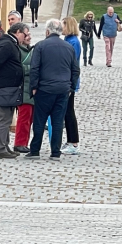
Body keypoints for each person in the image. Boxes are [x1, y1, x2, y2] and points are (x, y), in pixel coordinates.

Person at [27, 19, 80, 160]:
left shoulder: (40, 46)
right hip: (63, 90)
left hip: (44, 89)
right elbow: (75, 70)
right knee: (57, 122)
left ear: (47, 31)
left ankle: (35, 151)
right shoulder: (69, 47)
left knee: (39, 121)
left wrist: (33, 87)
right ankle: (55, 152)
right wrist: (71, 87)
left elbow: (34, 68)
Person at [0, 22, 30, 158]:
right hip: (5, 87)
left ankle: (5, 145)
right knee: (3, 118)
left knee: (8, 117)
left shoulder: (10, 43)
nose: (26, 37)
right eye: (25, 33)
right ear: (17, 32)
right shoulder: (7, 44)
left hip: (10, 86)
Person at [61, 16, 82, 155]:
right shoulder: (68, 40)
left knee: (69, 112)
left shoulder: (73, 42)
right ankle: (70, 140)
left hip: (69, 81)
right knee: (66, 112)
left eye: (63, 25)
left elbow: (71, 63)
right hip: (66, 79)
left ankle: (74, 142)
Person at [13, 25, 34, 153]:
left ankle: (24, 142)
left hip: (30, 88)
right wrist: (33, 69)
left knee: (29, 118)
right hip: (23, 88)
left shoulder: (29, 50)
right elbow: (19, 68)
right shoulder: (18, 50)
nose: (29, 37)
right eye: (27, 35)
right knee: (24, 118)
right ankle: (19, 143)